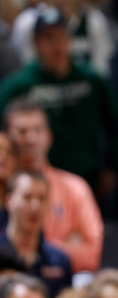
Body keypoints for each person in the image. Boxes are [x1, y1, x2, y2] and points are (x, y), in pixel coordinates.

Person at [0, 6, 118, 197]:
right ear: (36, 44)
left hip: (87, 179)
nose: (56, 45)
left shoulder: (91, 80)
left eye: (61, 36)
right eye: (48, 38)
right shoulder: (17, 86)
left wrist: (112, 167)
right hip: (31, 183)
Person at [4, 98, 104, 273]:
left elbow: (97, 253)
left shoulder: (75, 187)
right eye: (22, 131)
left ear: (49, 136)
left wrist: (46, 250)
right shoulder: (2, 183)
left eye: (38, 130)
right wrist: (66, 245)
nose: (31, 138)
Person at [1, 170, 71, 298]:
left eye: (42, 198)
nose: (35, 206)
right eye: (27, 197)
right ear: (9, 200)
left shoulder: (59, 261)